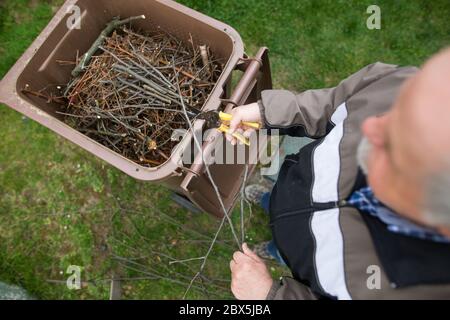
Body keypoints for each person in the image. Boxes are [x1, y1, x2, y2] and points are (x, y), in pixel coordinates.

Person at [228, 48, 450, 300]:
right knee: (279, 199)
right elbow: (334, 105)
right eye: (399, 109)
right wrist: (269, 113)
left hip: (305, 259)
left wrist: (270, 295)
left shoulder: (412, 291)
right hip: (295, 186)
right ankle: (270, 201)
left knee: (284, 249)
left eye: (391, 145)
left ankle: (275, 250)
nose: (370, 125)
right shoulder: (399, 86)